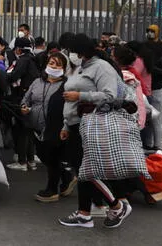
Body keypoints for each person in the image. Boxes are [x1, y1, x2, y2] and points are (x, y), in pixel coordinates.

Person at [59, 33, 132, 229]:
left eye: (71, 51)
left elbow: (110, 95)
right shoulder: (81, 68)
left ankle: (117, 206)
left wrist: (80, 95)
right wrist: (66, 124)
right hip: (76, 124)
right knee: (82, 170)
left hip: (92, 124)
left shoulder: (101, 68)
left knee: (87, 171)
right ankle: (84, 214)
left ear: (81, 51)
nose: (69, 54)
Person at [20, 52, 75, 202]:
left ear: (64, 68)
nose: (54, 66)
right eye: (52, 63)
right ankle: (67, 177)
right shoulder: (37, 82)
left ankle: (52, 190)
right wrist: (24, 107)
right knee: (44, 156)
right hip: (35, 127)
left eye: (58, 64)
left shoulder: (67, 85)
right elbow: (26, 100)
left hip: (56, 128)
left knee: (52, 158)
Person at [6, 37, 40, 171]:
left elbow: (14, 76)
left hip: (22, 97)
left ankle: (22, 162)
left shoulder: (23, 61)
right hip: (32, 97)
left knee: (21, 129)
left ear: (18, 49)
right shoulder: (33, 60)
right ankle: (31, 160)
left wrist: (3, 74)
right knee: (29, 130)